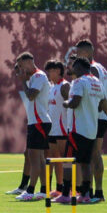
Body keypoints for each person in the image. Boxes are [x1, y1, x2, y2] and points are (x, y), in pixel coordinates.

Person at [75, 39, 107, 202]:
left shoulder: (93, 69)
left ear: (86, 53)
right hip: (102, 116)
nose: (76, 56)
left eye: (78, 52)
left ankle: (94, 193)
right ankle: (95, 192)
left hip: (95, 117)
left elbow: (100, 96)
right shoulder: (103, 68)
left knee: (92, 154)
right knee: (95, 154)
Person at [64, 57, 104, 204]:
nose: (72, 70)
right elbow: (100, 105)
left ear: (79, 68)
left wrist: (66, 102)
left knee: (67, 161)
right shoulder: (97, 82)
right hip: (91, 129)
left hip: (77, 128)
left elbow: (75, 102)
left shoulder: (79, 82)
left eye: (73, 67)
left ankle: (66, 193)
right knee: (85, 163)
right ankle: (86, 193)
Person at [14, 51, 51, 202]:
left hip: (40, 122)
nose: (21, 70)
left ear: (29, 61)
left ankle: (30, 190)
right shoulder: (34, 77)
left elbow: (31, 95)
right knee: (39, 159)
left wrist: (23, 81)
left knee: (34, 157)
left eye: (22, 66)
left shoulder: (39, 76)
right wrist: (24, 78)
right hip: (36, 122)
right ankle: (43, 190)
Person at [44, 59, 69, 199]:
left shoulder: (65, 86)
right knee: (55, 159)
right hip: (52, 129)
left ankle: (69, 188)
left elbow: (71, 106)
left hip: (62, 128)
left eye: (52, 70)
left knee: (66, 160)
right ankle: (59, 188)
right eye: (48, 70)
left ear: (59, 71)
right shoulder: (51, 87)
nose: (49, 73)